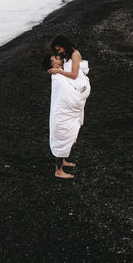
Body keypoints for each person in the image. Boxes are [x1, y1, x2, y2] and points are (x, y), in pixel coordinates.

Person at [45, 35, 91, 179]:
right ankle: (59, 170)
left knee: (67, 128)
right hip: (68, 97)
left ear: (64, 44)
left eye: (60, 49)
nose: (60, 53)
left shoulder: (75, 54)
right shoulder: (65, 57)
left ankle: (62, 161)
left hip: (75, 90)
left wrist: (57, 71)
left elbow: (73, 75)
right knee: (63, 130)